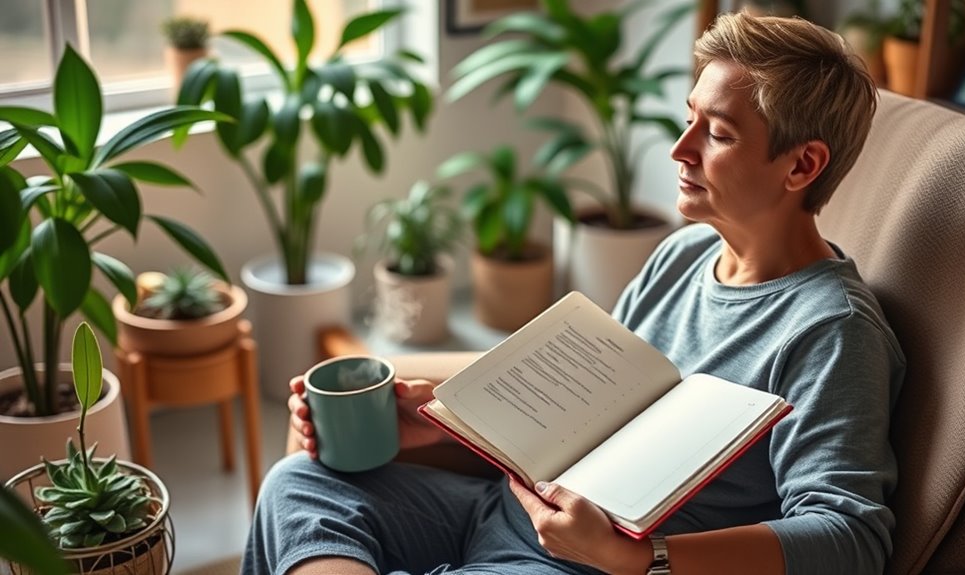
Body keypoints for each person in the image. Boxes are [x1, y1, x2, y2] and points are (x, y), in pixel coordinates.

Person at [244, 12, 904, 575]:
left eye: (719, 135)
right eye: (689, 119)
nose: (679, 150)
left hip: (577, 563)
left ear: (802, 164)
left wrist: (646, 557)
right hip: (502, 508)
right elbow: (584, 428)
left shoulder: (831, 330)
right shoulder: (681, 255)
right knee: (299, 486)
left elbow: (853, 536)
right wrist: (437, 426)